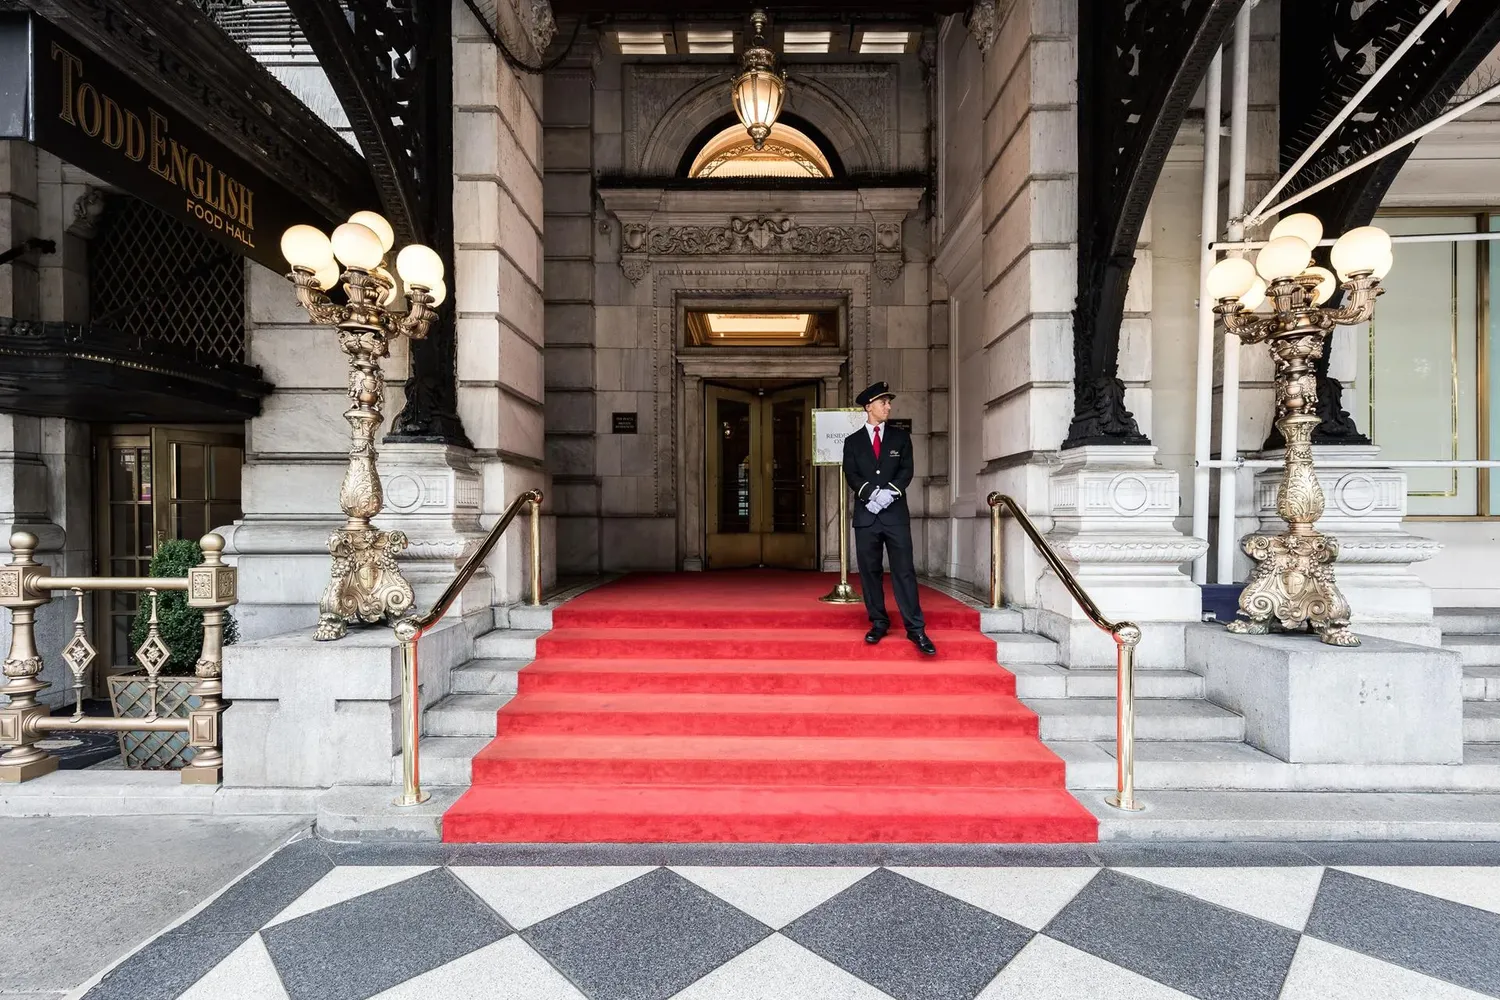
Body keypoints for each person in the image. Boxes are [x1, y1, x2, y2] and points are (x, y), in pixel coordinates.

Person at [842, 381, 936, 655]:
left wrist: (889, 494)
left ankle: (915, 628)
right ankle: (879, 622)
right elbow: (851, 474)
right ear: (868, 406)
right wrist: (871, 494)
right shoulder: (853, 442)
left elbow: (906, 471)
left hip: (894, 515)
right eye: (883, 402)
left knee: (904, 571)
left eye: (889, 402)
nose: (889, 407)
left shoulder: (899, 438)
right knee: (870, 572)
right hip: (867, 517)